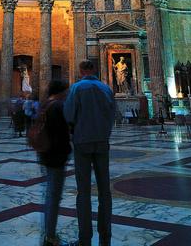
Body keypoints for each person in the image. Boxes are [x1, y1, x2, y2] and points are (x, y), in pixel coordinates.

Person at [63, 60, 117, 246]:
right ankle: (106, 233)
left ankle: (84, 236)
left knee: (83, 191)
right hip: (102, 142)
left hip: (82, 142)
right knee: (105, 190)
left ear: (81, 70)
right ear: (94, 69)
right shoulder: (106, 88)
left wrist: (74, 131)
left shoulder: (76, 88)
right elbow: (113, 115)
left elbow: (69, 115)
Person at [35, 80, 71, 246]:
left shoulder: (45, 104)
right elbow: (64, 130)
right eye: (66, 90)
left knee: (50, 194)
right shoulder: (58, 106)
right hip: (56, 154)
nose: (68, 93)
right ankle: (50, 236)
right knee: (54, 195)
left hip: (44, 153)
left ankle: (49, 233)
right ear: (61, 91)